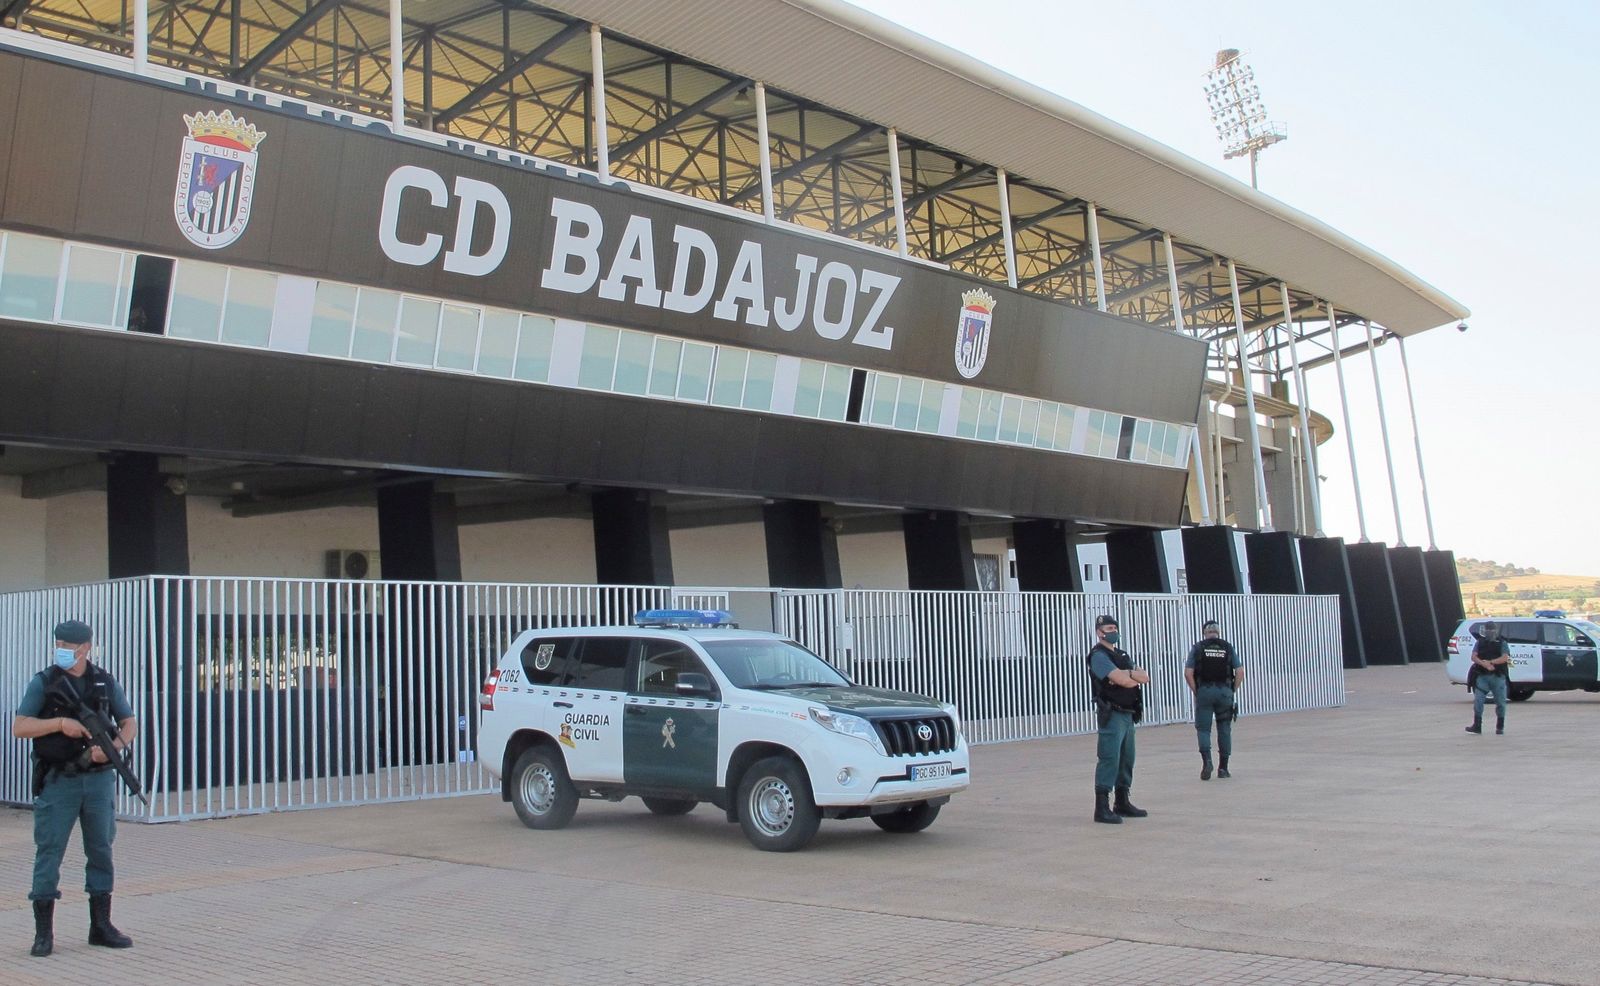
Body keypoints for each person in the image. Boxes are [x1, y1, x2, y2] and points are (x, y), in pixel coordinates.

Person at [11, 620, 137, 957]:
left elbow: (129, 722)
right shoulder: (44, 682)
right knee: (49, 852)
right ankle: (43, 934)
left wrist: (112, 747)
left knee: (101, 849)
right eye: (59, 644)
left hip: (98, 780)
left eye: (68, 646)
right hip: (59, 781)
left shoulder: (104, 681)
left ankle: (101, 926)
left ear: (86, 648)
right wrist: (59, 723)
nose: (62, 651)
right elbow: (20, 726)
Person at [1087, 614, 1149, 824]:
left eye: (1114, 628)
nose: (1113, 632)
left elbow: (1144, 677)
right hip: (1112, 713)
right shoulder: (1098, 655)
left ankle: (1122, 801)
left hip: (1128, 713)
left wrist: (1126, 674)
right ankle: (1102, 807)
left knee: (1126, 759)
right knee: (1109, 758)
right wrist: (1128, 676)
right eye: (1108, 629)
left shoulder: (1122, 655)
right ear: (1099, 632)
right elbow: (1124, 680)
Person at [1185, 618, 1244, 780]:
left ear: (1204, 633)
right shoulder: (1227, 647)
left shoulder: (1198, 648)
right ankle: (1223, 768)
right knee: (1224, 728)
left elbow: (1188, 673)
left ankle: (1207, 762)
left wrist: (1196, 691)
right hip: (1224, 692)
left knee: (1203, 729)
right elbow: (1240, 671)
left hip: (1204, 691)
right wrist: (1232, 690)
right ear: (1218, 632)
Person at [1467, 621, 1510, 735]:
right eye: (1488, 630)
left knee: (1500, 703)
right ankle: (1477, 725)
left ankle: (1500, 726)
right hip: (1482, 676)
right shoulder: (1480, 642)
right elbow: (1474, 657)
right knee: (1478, 701)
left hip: (1498, 676)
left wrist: (1491, 662)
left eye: (1491, 630)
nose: (1489, 632)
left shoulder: (1502, 642)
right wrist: (1484, 664)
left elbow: (1505, 658)